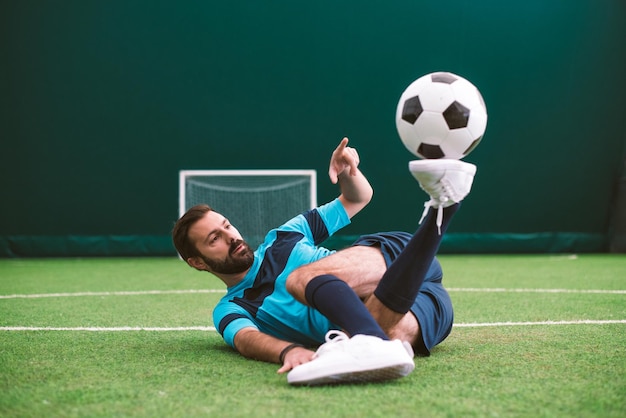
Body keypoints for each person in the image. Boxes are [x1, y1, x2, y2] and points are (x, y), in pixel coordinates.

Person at [172, 137, 476, 385]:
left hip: (392, 259)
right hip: (424, 308)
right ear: (198, 262)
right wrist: (288, 351)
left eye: (226, 226)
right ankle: (444, 208)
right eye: (214, 239)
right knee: (390, 341)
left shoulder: (284, 236)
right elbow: (246, 339)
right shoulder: (231, 308)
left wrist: (348, 175)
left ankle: (440, 207)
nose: (230, 237)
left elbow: (356, 199)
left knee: (299, 279)